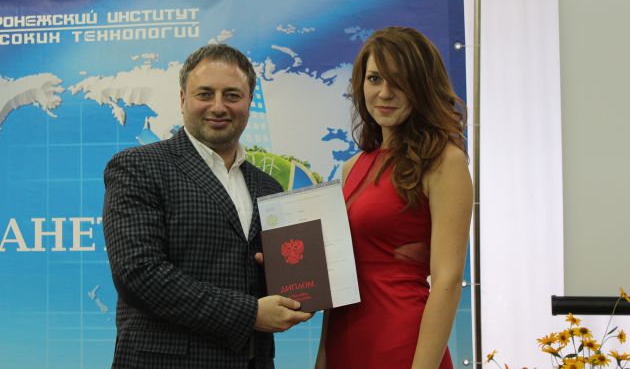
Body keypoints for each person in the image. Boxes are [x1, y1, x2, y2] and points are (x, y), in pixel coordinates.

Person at [103, 43, 312, 369]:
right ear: (183, 99)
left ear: (249, 101)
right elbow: (139, 274)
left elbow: (267, 279)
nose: (218, 106)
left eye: (232, 95)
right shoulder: (138, 167)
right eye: (205, 94)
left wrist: (301, 284)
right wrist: (250, 314)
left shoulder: (268, 186)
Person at [316, 27, 473, 369]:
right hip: (344, 341)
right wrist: (323, 356)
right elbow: (340, 277)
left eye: (399, 81)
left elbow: (447, 282)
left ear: (422, 86)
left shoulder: (445, 161)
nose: (384, 93)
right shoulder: (352, 167)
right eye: (374, 79)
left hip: (404, 344)